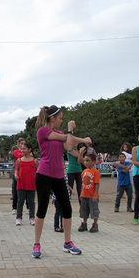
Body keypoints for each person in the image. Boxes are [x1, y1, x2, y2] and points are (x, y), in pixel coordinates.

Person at [32, 105, 92, 259]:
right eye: (60, 118)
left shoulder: (59, 133)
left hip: (59, 176)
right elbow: (66, 138)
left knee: (67, 208)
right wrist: (73, 132)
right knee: (42, 209)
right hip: (44, 175)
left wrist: (81, 141)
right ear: (52, 118)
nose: (61, 121)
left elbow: (68, 144)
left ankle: (67, 243)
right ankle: (37, 244)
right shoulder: (43, 131)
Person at [14, 142, 38, 226]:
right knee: (20, 201)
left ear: (29, 149)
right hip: (21, 183)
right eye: (22, 149)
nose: (22, 150)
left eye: (24, 149)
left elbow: (37, 171)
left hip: (31, 183)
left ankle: (32, 218)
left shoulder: (34, 160)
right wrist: (16, 175)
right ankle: (19, 218)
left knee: (31, 201)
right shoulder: (19, 160)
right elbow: (17, 170)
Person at [77, 150, 101, 232]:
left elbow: (97, 183)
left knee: (94, 210)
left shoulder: (96, 172)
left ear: (93, 162)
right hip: (84, 194)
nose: (86, 162)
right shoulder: (84, 171)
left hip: (92, 195)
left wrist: (95, 195)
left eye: (88, 161)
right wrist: (81, 193)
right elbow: (83, 183)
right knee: (84, 210)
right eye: (85, 161)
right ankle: (84, 223)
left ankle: (95, 224)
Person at [10, 137, 25, 215]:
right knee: (16, 191)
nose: (23, 145)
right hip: (17, 172)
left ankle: (28, 208)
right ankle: (14, 207)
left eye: (24, 144)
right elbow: (21, 156)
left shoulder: (28, 151)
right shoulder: (16, 151)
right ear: (18, 144)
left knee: (27, 191)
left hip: (25, 173)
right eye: (21, 144)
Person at [66, 141, 82, 205]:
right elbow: (77, 156)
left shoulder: (79, 151)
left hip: (78, 170)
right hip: (71, 171)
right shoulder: (70, 150)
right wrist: (81, 154)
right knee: (70, 188)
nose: (75, 143)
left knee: (80, 188)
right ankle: (67, 203)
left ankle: (81, 204)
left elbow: (80, 160)